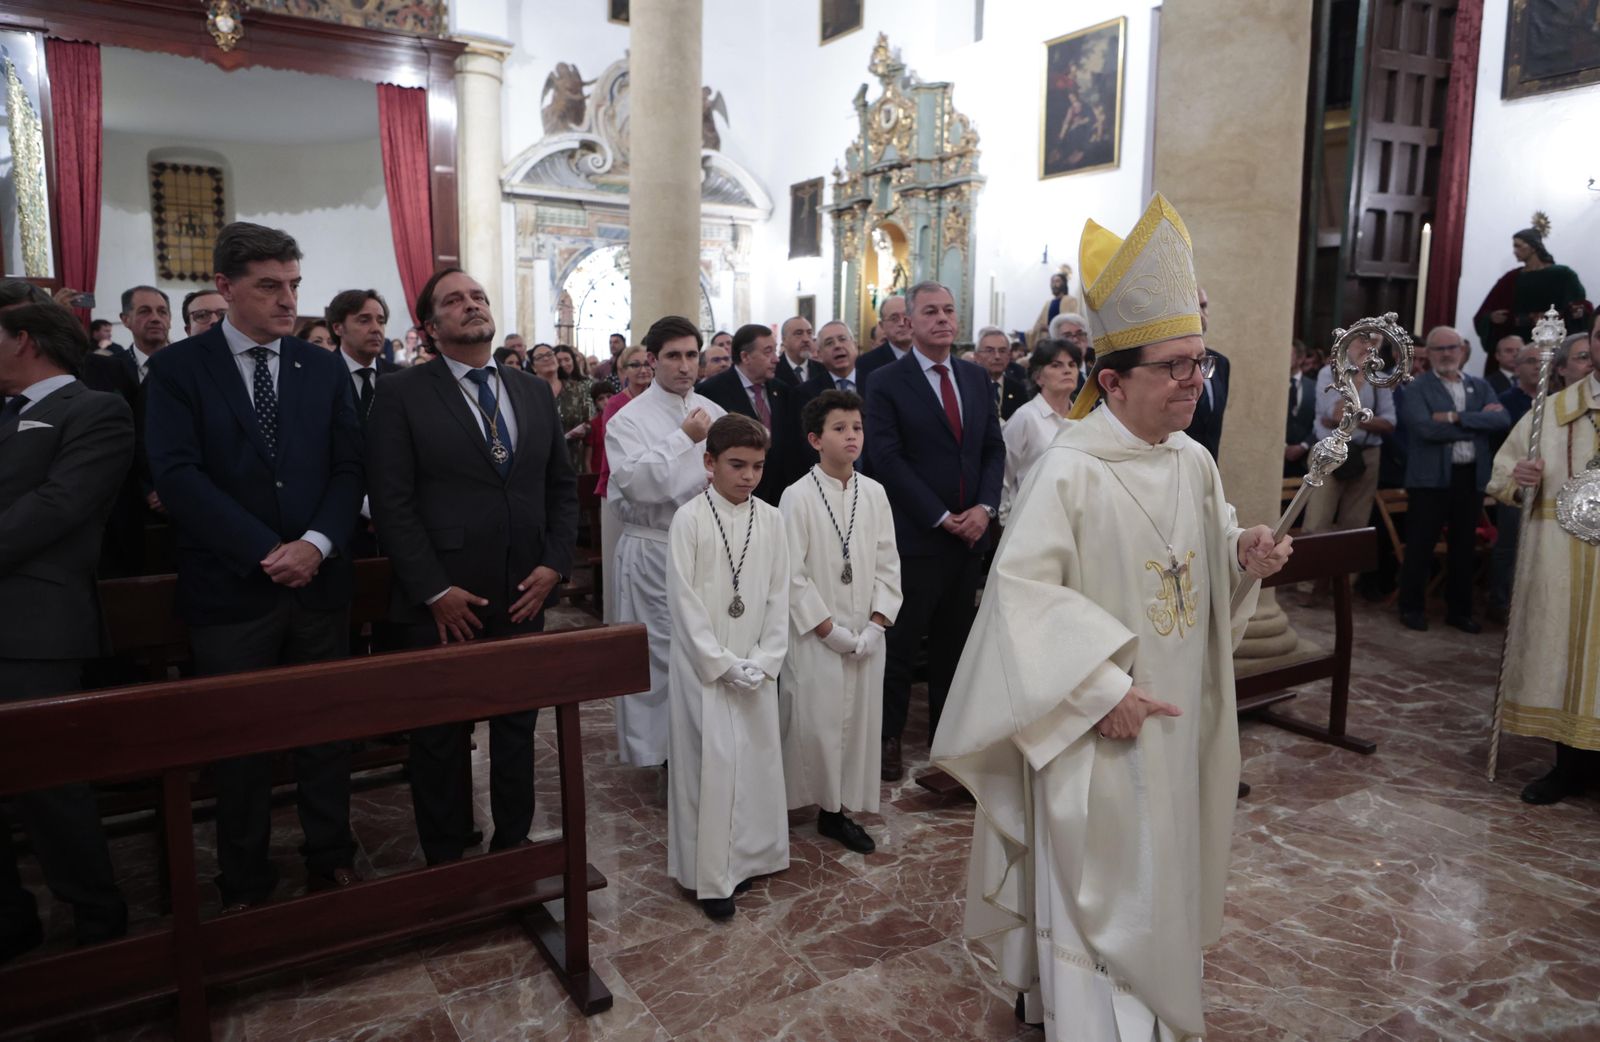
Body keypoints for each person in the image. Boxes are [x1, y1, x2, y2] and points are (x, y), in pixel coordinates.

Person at [932, 194, 1291, 1040]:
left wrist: (1241, 554)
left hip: (1179, 714)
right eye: (1175, 367)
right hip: (1101, 727)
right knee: (1104, 880)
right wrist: (1100, 693)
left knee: (1165, 867)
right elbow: (1021, 600)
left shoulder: (1192, 461)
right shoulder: (1070, 469)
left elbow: (1200, 552)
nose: (1194, 381)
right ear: (1113, 381)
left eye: (1200, 363)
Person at [144, 222, 364, 907]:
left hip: (318, 583)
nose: (288, 300)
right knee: (239, 742)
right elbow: (178, 476)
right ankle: (243, 876)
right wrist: (267, 551)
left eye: (294, 284)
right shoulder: (179, 369)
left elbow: (350, 467)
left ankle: (331, 855)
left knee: (325, 731)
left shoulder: (321, 367)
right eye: (270, 286)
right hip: (231, 587)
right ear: (225, 286)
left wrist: (316, 544)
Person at [367, 268, 577, 864]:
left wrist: (554, 565)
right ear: (431, 327)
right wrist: (433, 590)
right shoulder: (402, 393)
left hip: (523, 590)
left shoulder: (531, 390)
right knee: (439, 735)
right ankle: (446, 859)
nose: (472, 305)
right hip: (444, 597)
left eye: (478, 296)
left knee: (517, 728)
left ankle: (513, 847)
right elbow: (392, 502)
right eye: (455, 300)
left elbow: (560, 488)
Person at [0, 303, 132, 962]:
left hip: (33, 623)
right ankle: (10, 921)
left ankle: (98, 924)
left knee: (49, 787)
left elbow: (60, 504)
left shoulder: (94, 410)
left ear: (24, 339)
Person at [865, 280, 1004, 782]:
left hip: (971, 535)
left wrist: (984, 508)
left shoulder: (975, 376)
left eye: (948, 310)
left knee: (955, 644)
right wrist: (941, 516)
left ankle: (947, 742)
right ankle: (888, 738)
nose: (942, 318)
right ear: (909, 322)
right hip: (917, 535)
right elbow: (887, 458)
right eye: (930, 311)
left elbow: (992, 448)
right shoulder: (886, 381)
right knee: (902, 643)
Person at [665, 414, 790, 919]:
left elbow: (779, 596)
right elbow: (683, 602)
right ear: (709, 462)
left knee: (756, 760)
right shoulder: (689, 519)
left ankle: (750, 856)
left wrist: (765, 659)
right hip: (705, 667)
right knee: (710, 767)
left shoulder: (773, 520)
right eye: (737, 465)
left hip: (755, 664)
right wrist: (721, 663)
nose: (748, 476)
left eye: (757, 466)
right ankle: (710, 875)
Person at [778, 391, 900, 854]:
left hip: (867, 635)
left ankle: (837, 812)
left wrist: (875, 626)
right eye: (840, 428)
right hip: (818, 635)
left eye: (857, 428)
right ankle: (798, 803)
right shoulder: (797, 497)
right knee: (816, 721)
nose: (852, 436)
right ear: (815, 439)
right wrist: (829, 631)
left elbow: (888, 563)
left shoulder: (875, 493)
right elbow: (792, 574)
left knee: (858, 724)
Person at [606, 317, 726, 767]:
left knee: (706, 646)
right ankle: (660, 756)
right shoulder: (628, 420)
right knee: (659, 655)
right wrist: (684, 440)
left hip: (709, 545)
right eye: (673, 356)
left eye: (692, 355)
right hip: (655, 547)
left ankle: (701, 747)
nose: (685, 365)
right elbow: (638, 484)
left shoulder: (714, 410)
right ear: (652, 361)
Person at [1487, 354, 1600, 804]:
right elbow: (1501, 474)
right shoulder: (1549, 412)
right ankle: (1568, 769)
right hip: (1558, 559)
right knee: (1563, 655)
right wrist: (1520, 478)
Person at [1396, 326, 1509, 633]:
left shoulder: (1479, 385)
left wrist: (1455, 417)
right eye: (1439, 349)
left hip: (1469, 477)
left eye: (1452, 347)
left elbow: (1501, 420)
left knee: (1463, 547)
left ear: (1462, 350)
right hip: (1429, 480)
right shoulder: (1418, 387)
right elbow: (1424, 429)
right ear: (1429, 354)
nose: (1446, 354)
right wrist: (1477, 424)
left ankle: (1459, 612)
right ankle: (1411, 608)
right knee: (1421, 545)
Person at [1301, 333, 1395, 537]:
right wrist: (1359, 377)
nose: (1368, 347)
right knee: (1317, 523)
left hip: (1368, 454)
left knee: (1356, 526)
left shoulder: (1381, 379)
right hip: (1330, 454)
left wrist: (1352, 419)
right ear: (1347, 342)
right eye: (1363, 340)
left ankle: (1348, 560)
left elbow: (1389, 423)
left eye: (1375, 342)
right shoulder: (1330, 373)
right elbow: (1336, 414)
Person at [696, 323, 798, 505]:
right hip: (734, 497)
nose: (776, 359)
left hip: (778, 496)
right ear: (745, 356)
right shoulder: (712, 391)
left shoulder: (781, 390)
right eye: (768, 352)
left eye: (775, 351)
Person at [1487, 340, 1547, 624]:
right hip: (1514, 482)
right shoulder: (1504, 401)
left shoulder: (1555, 400)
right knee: (1508, 546)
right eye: (1531, 361)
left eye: (1541, 361)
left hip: (1546, 484)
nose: (1537, 367)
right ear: (1517, 367)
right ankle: (1499, 602)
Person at [592, 344, 652, 624]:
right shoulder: (616, 404)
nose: (642, 370)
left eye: (646, 364)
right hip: (617, 488)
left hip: (651, 488)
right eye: (634, 365)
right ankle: (615, 622)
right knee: (617, 557)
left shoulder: (657, 401)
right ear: (623, 370)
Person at [1000, 337, 1081, 523]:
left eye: (1072, 364)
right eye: (1056, 365)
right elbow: (1003, 476)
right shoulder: (1026, 417)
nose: (1067, 370)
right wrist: (1004, 522)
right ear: (1038, 377)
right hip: (1031, 520)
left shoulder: (1082, 418)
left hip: (1074, 518)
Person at [1472, 224, 1592, 349]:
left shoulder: (1563, 274)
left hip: (1554, 341)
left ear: (1533, 247)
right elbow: (1485, 313)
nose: (1514, 251)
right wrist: (1491, 318)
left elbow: (1578, 305)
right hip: (1519, 345)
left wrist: (1577, 311)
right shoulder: (1511, 278)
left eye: (1518, 246)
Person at [1182, 286, 1230, 460]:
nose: (1200, 315)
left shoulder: (1221, 363)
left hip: (1210, 466)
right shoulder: (1170, 364)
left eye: (1203, 306)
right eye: (1193, 308)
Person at [531, 342, 595, 473]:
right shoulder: (528, 392)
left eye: (549, 354)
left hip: (573, 460)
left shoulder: (577, 389)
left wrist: (584, 429)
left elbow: (590, 420)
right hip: (541, 463)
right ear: (533, 367)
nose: (546, 358)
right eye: (540, 357)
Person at [856, 294, 912, 392]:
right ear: (882, 326)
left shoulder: (930, 354)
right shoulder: (866, 363)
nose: (902, 323)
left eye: (906, 317)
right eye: (894, 319)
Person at [975, 325, 1030, 421]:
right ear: (977, 356)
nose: (997, 356)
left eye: (1002, 351)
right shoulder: (967, 387)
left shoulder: (1020, 390)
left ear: (1009, 356)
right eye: (990, 350)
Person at [1285, 340, 1318, 478]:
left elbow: (1319, 420)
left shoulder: (1314, 387)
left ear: (1300, 358)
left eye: (1288, 353)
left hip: (1304, 460)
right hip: (1275, 456)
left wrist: (1304, 445)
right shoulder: (1272, 386)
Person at [1027, 265, 1078, 348]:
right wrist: (1022, 335)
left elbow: (1074, 322)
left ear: (1064, 284)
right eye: (1052, 282)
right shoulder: (1048, 304)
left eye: (1057, 281)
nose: (1054, 284)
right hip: (1048, 343)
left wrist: (1050, 328)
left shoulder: (1070, 301)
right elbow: (1038, 325)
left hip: (1064, 344)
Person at [773, 316, 815, 386]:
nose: (806, 339)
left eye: (809, 333)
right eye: (799, 333)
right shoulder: (773, 370)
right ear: (784, 340)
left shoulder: (822, 370)